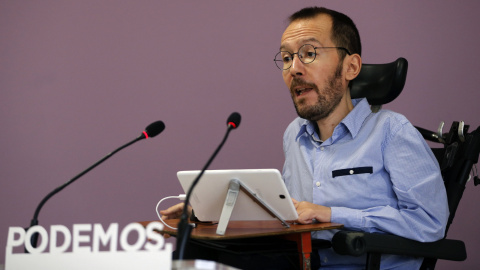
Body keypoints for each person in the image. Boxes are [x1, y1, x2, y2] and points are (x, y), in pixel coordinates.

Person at [161, 6, 449, 269]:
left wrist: (336, 214)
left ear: (351, 67)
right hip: (301, 261)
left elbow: (430, 223)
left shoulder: (392, 131)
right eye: (286, 58)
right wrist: (209, 208)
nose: (294, 69)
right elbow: (289, 212)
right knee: (195, 247)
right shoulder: (294, 134)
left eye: (309, 53)